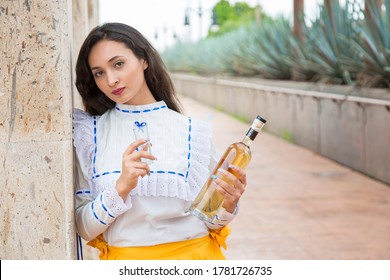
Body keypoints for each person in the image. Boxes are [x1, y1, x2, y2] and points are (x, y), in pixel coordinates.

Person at [72, 22, 247, 260]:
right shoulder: (89, 133)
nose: (111, 79)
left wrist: (229, 202)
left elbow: (212, 221)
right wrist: (121, 187)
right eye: (99, 73)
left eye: (118, 64)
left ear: (144, 60)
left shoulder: (192, 131)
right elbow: (83, 228)